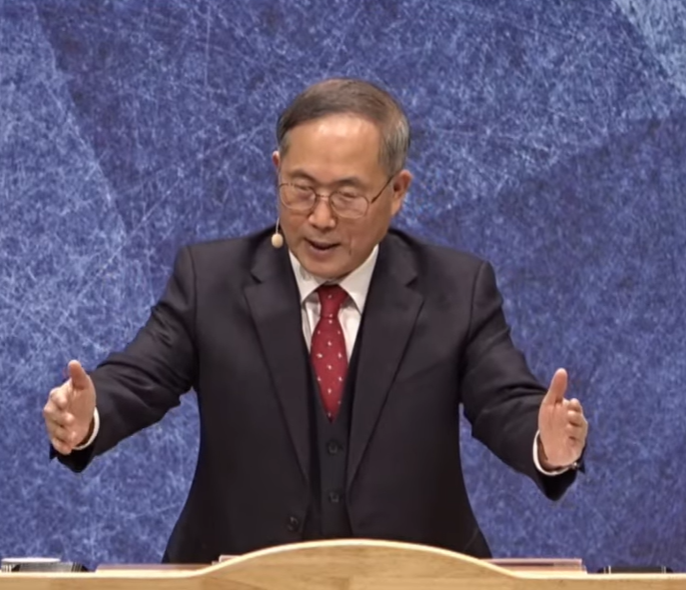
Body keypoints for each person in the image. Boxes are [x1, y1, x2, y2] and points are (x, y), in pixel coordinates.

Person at [43, 78, 589, 564]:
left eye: (348, 197)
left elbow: (503, 402)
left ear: (397, 192)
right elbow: (140, 377)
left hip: (415, 579)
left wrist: (547, 444)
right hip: (238, 578)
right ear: (277, 171)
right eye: (301, 190)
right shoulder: (211, 281)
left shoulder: (455, 288)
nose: (320, 218)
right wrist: (85, 418)